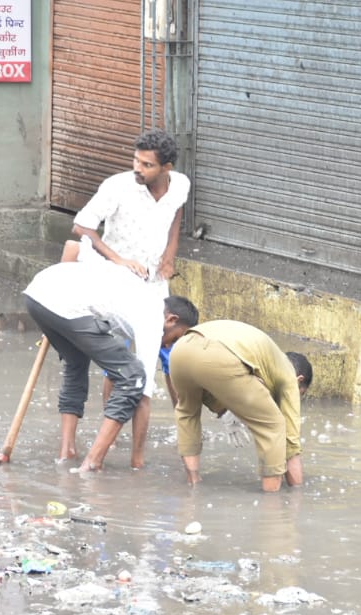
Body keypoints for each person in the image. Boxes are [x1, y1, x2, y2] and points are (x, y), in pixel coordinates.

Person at [22, 263, 172, 472]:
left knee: (76, 363)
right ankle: (93, 462)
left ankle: (67, 451)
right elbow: (142, 392)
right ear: (172, 320)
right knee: (134, 377)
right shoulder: (154, 318)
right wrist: (137, 461)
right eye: (175, 338)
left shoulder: (133, 301)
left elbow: (113, 370)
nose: (168, 346)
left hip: (37, 294)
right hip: (63, 303)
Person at [161, 313, 312, 493]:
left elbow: (207, 378)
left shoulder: (264, 357)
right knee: (274, 425)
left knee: (187, 412)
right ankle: (273, 503)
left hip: (180, 351)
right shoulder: (288, 373)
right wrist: (297, 493)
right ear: (299, 380)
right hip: (220, 354)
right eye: (299, 394)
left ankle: (193, 485)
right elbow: (291, 442)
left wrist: (223, 410)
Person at [61, 129, 190, 295]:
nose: (138, 168)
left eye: (147, 165)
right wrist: (118, 260)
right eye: (136, 160)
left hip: (154, 280)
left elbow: (177, 209)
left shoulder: (181, 184)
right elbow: (80, 227)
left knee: (158, 320)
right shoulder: (117, 186)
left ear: (166, 168)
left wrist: (170, 255)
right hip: (114, 276)